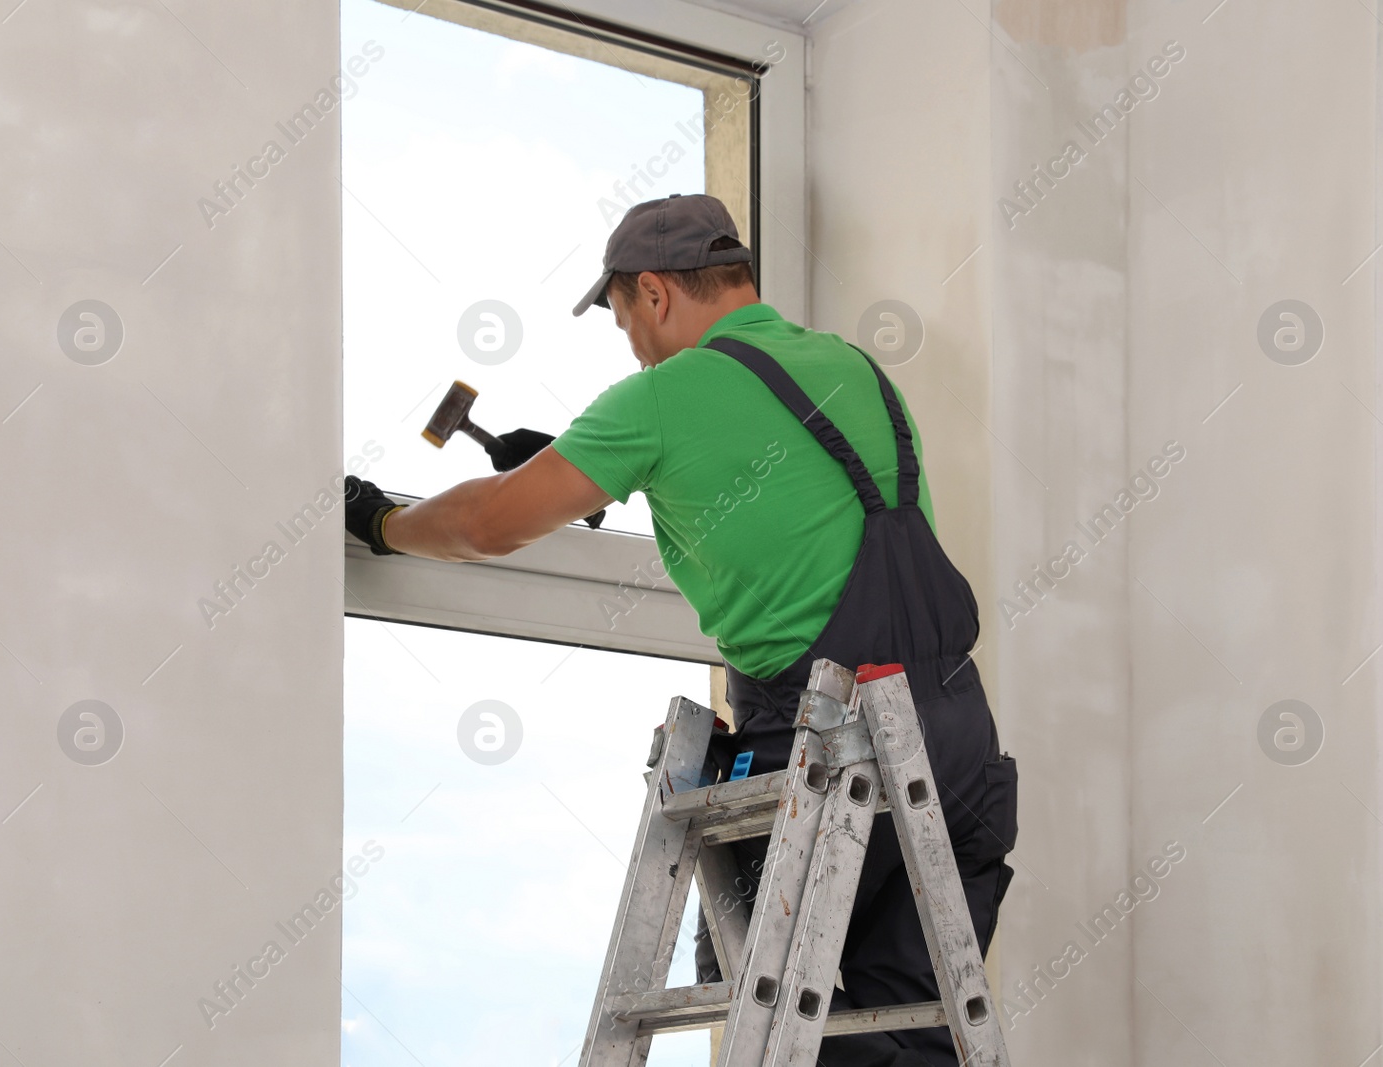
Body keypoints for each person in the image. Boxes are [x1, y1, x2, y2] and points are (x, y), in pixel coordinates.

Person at [344, 193, 1017, 1067]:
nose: (631, 341)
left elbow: (488, 525)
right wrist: (599, 464)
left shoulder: (661, 399)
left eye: (623, 318)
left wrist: (380, 524)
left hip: (830, 740)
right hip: (956, 744)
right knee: (912, 1027)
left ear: (654, 293)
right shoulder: (853, 368)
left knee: (756, 991)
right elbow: (785, 501)